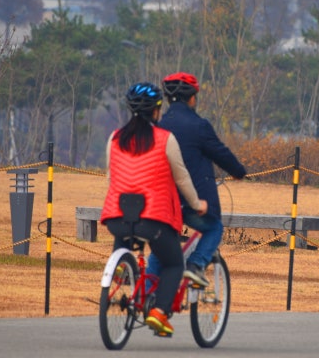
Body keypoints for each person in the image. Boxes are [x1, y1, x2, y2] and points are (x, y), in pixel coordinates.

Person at [100, 82, 207, 336]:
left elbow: (110, 177)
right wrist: (196, 204)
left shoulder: (114, 138)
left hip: (118, 215)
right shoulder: (165, 139)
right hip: (154, 219)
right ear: (157, 111)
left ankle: (121, 269)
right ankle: (159, 312)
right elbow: (181, 178)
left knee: (125, 236)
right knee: (173, 264)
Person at [148, 72, 247, 287]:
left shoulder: (159, 126)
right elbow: (221, 154)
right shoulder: (199, 126)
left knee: (162, 248)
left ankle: (146, 297)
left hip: (164, 203)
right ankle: (195, 265)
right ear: (192, 98)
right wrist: (238, 172)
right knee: (214, 228)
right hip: (193, 202)